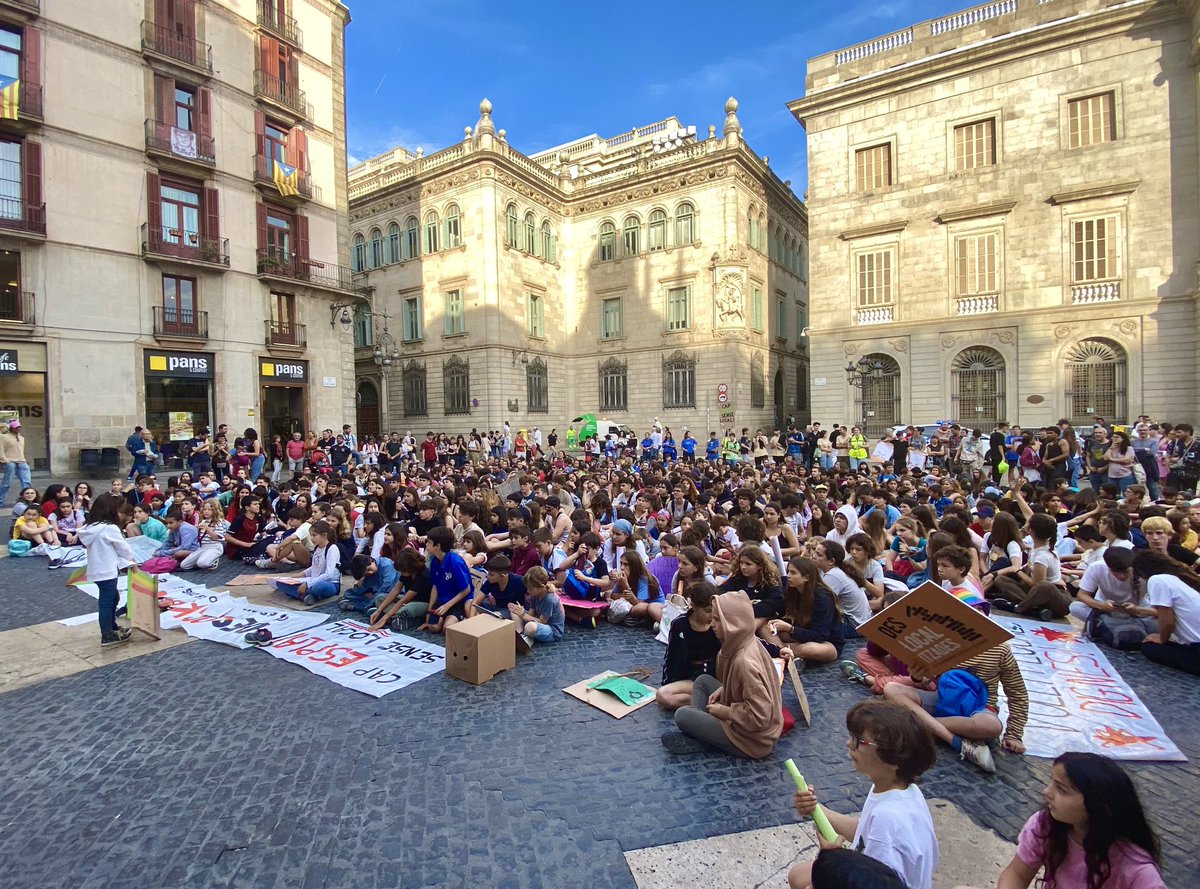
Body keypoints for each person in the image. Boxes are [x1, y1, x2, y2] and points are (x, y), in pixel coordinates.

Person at [789, 700, 938, 889]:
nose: (849, 744)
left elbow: (872, 882)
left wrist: (834, 859)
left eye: (859, 741)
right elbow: (865, 832)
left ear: (893, 760)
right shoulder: (899, 789)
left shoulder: (888, 820)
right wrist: (816, 809)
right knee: (799, 875)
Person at [959, 752, 1165, 889]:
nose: (1046, 792)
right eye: (1051, 783)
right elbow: (1016, 875)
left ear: (1100, 806)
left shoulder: (1137, 869)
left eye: (1061, 789)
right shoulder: (1045, 825)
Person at [662, 589, 784, 758]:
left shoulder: (744, 662)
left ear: (733, 623)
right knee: (704, 681)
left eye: (718, 620)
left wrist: (725, 712)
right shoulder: (743, 641)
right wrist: (725, 689)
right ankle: (703, 734)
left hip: (752, 740)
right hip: (741, 721)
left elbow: (760, 717)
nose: (712, 624)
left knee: (682, 715)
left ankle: (701, 738)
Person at [883, 640, 1028, 774]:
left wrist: (1014, 734)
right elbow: (927, 679)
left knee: (992, 726)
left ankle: (920, 723)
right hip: (942, 700)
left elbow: (1017, 691)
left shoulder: (1000, 650)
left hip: (979, 709)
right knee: (891, 688)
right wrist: (917, 675)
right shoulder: (946, 642)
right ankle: (955, 741)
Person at [78, 494, 136, 647]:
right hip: (107, 570)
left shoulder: (91, 527)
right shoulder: (110, 528)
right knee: (106, 601)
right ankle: (107, 634)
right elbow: (123, 548)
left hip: (97, 570)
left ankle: (112, 627)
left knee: (113, 598)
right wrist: (132, 559)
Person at [1133, 549, 1200, 675]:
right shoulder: (1181, 579)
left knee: (1150, 647)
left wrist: (1162, 639)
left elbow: (1168, 621)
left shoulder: (1158, 580)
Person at [657, 581, 721, 710]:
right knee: (663, 695)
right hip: (691, 679)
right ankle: (710, 702)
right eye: (707, 611)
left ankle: (712, 700)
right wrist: (667, 682)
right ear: (694, 606)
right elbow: (671, 657)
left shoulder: (719, 624)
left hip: (715, 678)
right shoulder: (680, 624)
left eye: (714, 611)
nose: (711, 616)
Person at [770, 556, 844, 664]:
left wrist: (790, 629)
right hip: (801, 636)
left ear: (806, 577)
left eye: (793, 573)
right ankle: (785, 652)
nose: (788, 576)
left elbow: (819, 636)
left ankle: (778, 650)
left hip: (826, 642)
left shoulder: (823, 597)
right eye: (788, 572)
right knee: (767, 628)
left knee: (810, 649)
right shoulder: (792, 591)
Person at [419, 526, 472, 634]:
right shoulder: (434, 561)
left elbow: (466, 589)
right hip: (443, 600)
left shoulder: (455, 561)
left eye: (429, 542)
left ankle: (461, 618)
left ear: (437, 546)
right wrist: (429, 613)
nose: (426, 544)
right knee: (433, 627)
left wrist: (447, 606)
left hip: (458, 602)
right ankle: (444, 618)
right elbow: (435, 587)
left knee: (447, 629)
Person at [508, 565, 565, 650]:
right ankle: (520, 634)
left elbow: (542, 622)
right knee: (515, 611)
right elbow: (531, 614)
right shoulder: (535, 594)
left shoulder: (549, 599)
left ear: (541, 586)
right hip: (537, 620)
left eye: (530, 588)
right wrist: (521, 613)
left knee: (530, 627)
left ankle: (525, 635)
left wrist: (523, 616)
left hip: (552, 630)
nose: (528, 591)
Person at [285, 520, 340, 606]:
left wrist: (308, 584)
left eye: (314, 535)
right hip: (313, 580)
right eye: (311, 535)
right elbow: (314, 567)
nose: (311, 538)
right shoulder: (317, 548)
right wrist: (299, 575)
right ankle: (311, 596)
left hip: (330, 583)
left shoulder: (332, 548)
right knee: (282, 584)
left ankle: (304, 594)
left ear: (324, 535)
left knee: (319, 586)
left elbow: (329, 574)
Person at [0, 419, 32, 509]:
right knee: (7, 483)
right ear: (11, 428)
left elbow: (21, 450)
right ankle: (0, 500)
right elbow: (1, 450)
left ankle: (28, 500)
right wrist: (5, 460)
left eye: (19, 427)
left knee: (27, 482)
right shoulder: (4, 437)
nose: (18, 429)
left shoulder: (21, 438)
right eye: (16, 427)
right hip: (11, 461)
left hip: (22, 461)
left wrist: (25, 459)